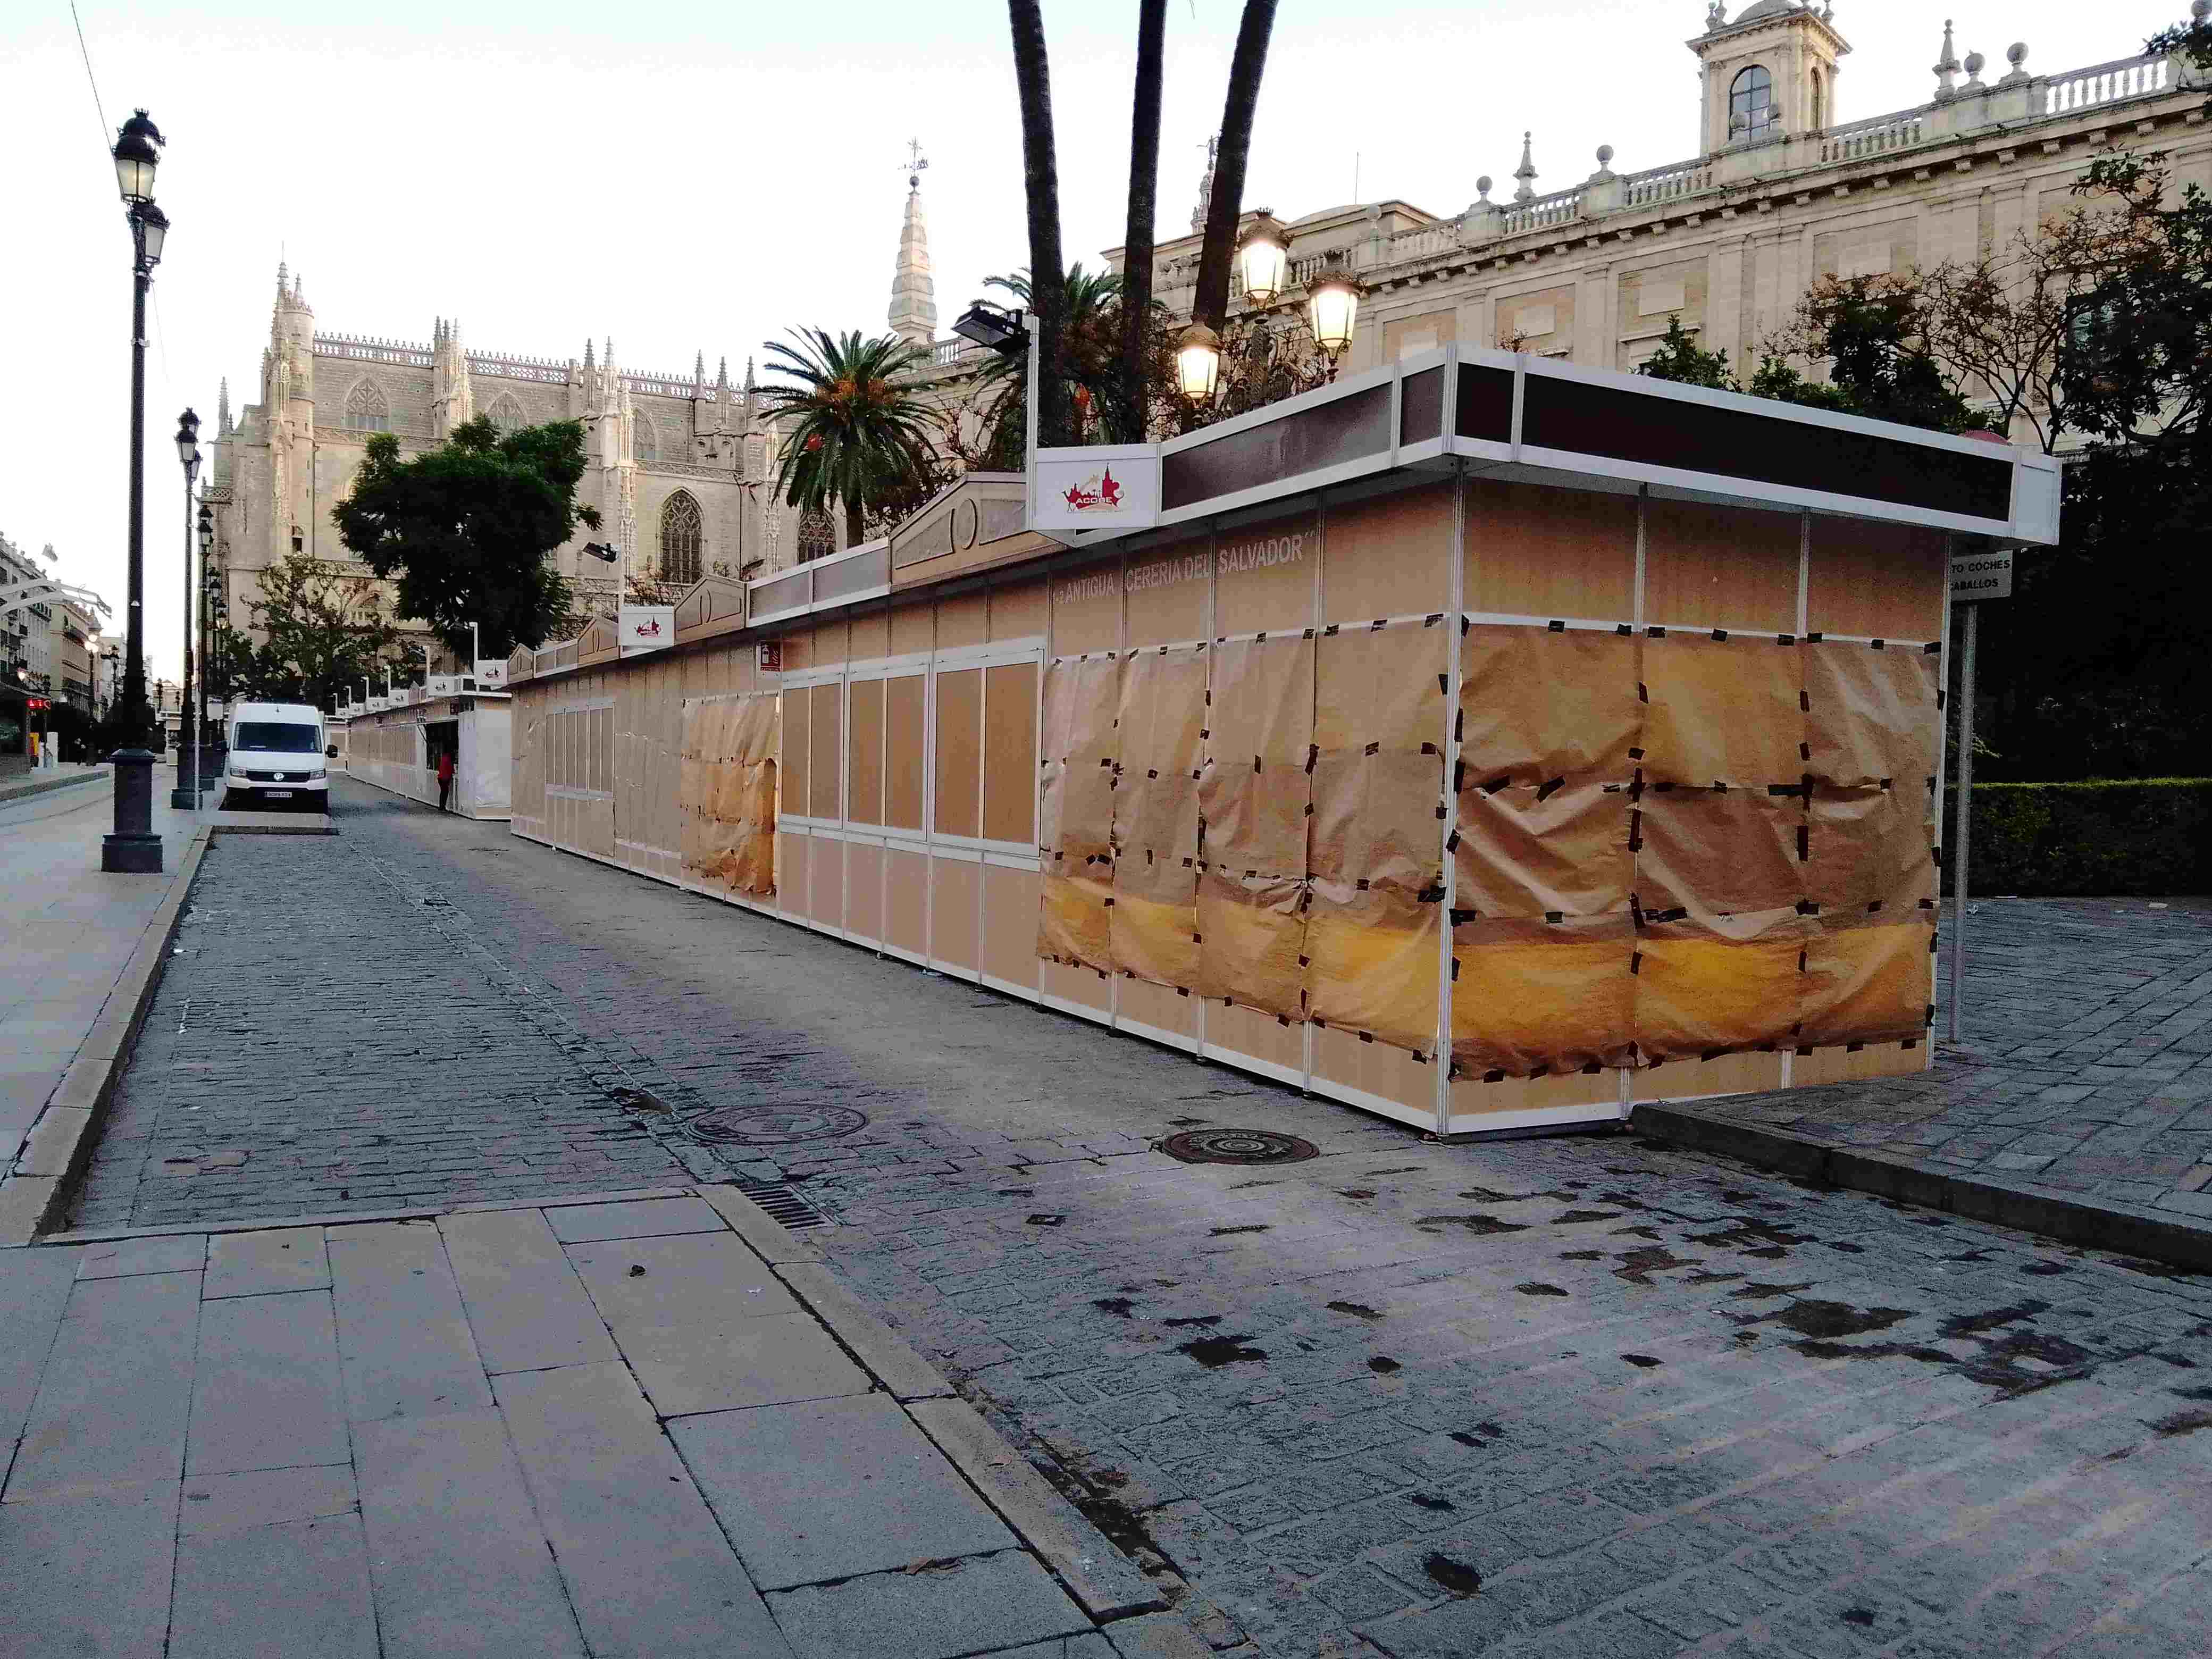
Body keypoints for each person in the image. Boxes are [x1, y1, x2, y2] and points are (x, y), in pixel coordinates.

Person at [435, 746, 455, 813]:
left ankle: (441, 806)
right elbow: (450, 769)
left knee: (443, 792)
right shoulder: (449, 759)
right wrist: (453, 772)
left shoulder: (444, 757)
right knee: (445, 792)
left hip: (441, 777)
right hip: (445, 778)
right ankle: (442, 807)